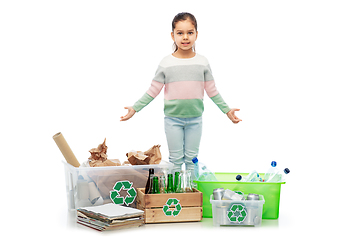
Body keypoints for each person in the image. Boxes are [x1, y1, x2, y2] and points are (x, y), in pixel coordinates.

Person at [120, 12, 241, 173]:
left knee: (192, 160)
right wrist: (135, 108)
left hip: (195, 120)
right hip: (172, 120)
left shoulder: (202, 62)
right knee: (175, 160)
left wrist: (227, 110)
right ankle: (175, 195)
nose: (185, 37)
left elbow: (212, 91)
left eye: (190, 32)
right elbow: (153, 90)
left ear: (196, 34)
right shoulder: (166, 63)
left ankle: (191, 194)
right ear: (172, 35)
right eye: (180, 33)